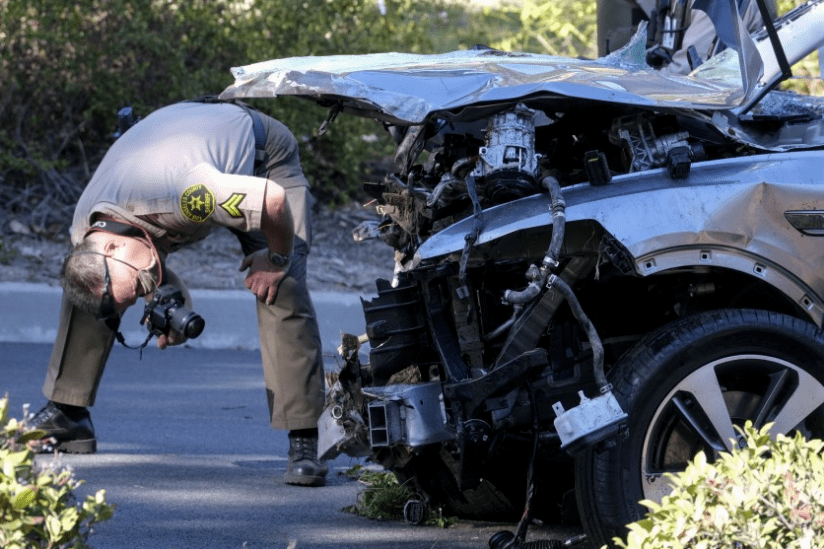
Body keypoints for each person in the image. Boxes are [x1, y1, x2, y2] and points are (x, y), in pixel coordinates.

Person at [29, 99, 329, 487]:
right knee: (89, 286)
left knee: (280, 286)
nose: (141, 296)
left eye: (139, 290)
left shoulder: (191, 194)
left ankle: (304, 435)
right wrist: (168, 303)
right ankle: (67, 412)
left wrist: (275, 257)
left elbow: (271, 200)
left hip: (261, 158)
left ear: (115, 247)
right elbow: (134, 269)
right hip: (174, 153)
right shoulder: (87, 236)